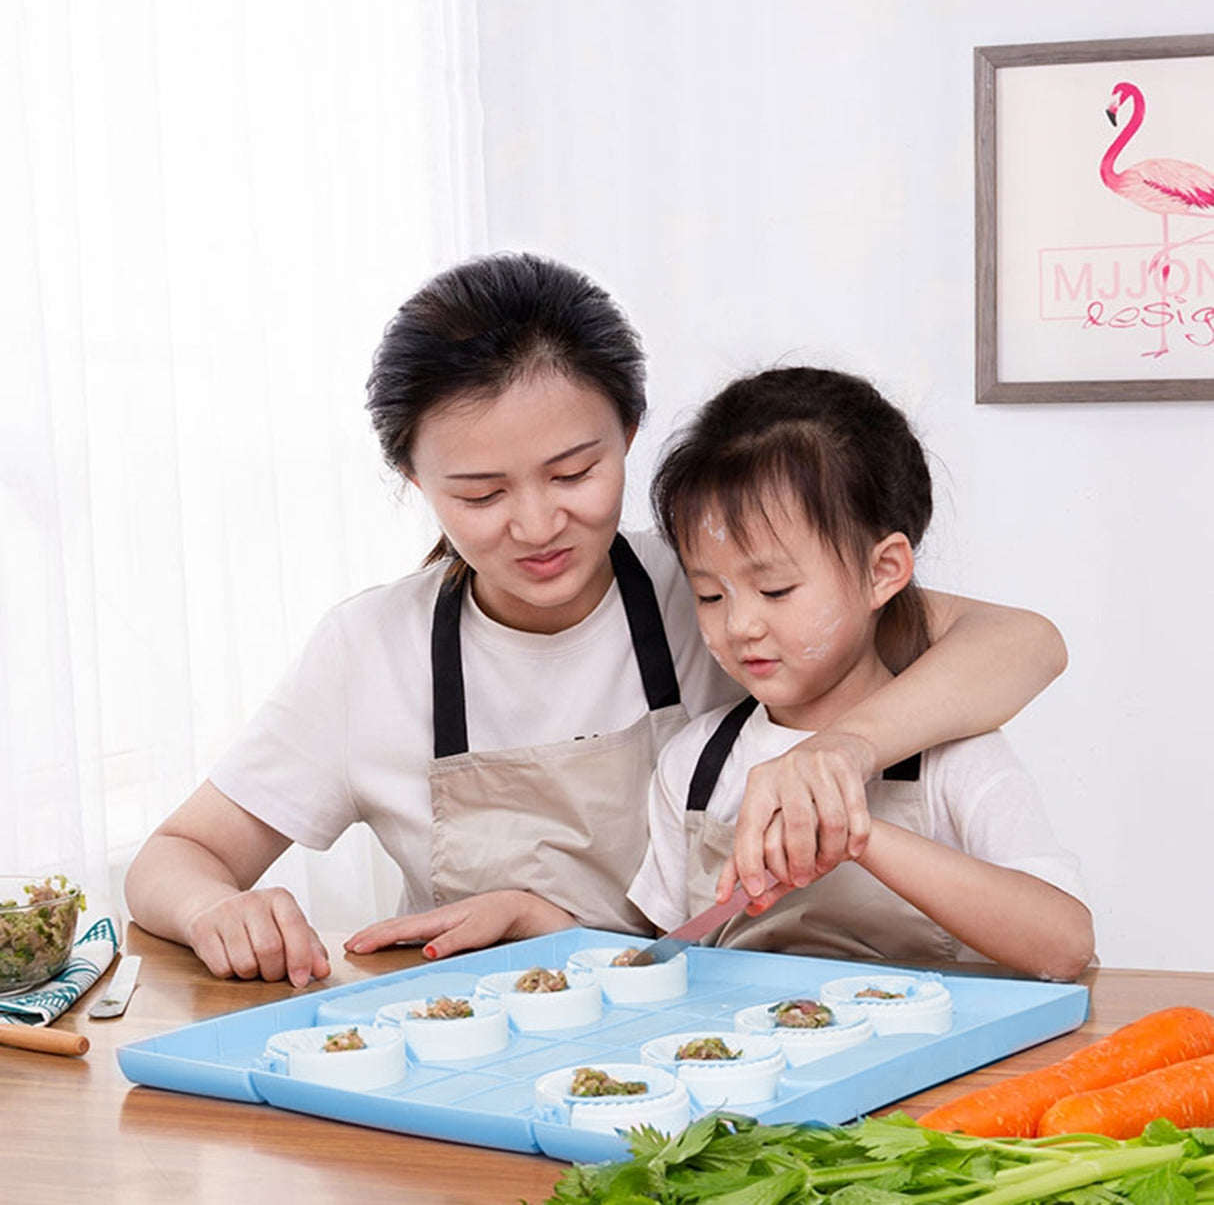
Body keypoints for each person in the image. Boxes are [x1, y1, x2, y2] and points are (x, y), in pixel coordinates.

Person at [124, 253, 1068, 987]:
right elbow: (178, 856)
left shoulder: (711, 582)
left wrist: (844, 752)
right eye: (481, 491)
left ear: (628, 431)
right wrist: (215, 910)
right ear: (416, 483)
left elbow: (1024, 643)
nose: (537, 524)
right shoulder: (371, 650)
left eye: (575, 473)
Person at [628, 365, 1094, 980]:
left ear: (883, 571)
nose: (740, 625)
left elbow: (1064, 946)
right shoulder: (694, 762)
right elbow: (671, 958)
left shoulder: (953, 754)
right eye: (710, 596)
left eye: (776, 588)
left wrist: (861, 834)